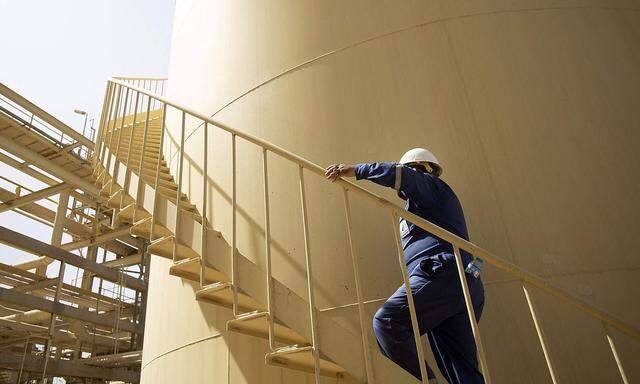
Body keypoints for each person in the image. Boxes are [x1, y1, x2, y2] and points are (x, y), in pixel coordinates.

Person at [325, 148, 485, 384]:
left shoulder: (431, 187)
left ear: (422, 169)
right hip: (458, 282)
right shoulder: (423, 207)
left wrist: (355, 170)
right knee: (458, 364)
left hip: (442, 273)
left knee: (388, 322)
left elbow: (401, 174)